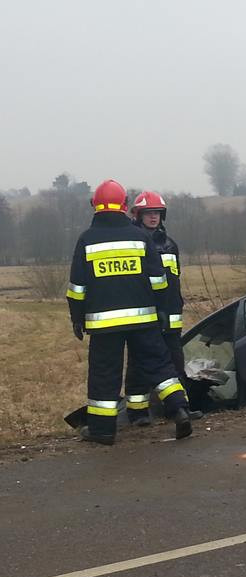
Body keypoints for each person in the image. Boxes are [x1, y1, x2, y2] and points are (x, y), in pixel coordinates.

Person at [66, 179, 194, 444]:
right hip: (144, 320)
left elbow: (77, 288)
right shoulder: (140, 237)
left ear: (94, 205)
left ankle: (102, 431)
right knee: (160, 365)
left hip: (104, 326)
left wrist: (77, 318)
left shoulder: (87, 240)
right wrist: (161, 310)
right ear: (125, 205)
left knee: (104, 375)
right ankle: (180, 410)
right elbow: (159, 280)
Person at [123, 191, 200, 424]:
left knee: (176, 362)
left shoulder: (170, 244)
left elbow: (175, 278)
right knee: (138, 363)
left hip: (172, 314)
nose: (153, 217)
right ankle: (137, 413)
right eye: (148, 213)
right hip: (146, 315)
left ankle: (179, 409)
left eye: (157, 212)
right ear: (138, 215)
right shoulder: (134, 244)